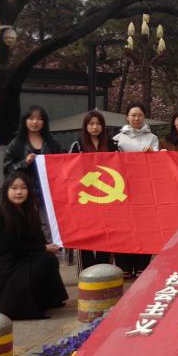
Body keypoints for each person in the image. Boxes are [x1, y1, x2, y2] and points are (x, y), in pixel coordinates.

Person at [0, 171, 68, 320]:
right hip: (5, 267)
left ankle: (48, 300)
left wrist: (48, 246)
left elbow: (38, 239)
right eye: (14, 188)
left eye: (23, 188)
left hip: (25, 258)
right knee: (44, 259)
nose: (19, 192)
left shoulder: (30, 212)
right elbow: (6, 246)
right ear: (6, 190)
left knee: (49, 259)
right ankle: (21, 305)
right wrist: (41, 249)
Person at [111, 101, 158, 275]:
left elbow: (158, 163)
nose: (136, 118)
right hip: (122, 188)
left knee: (145, 225)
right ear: (127, 117)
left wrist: (152, 155)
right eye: (133, 115)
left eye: (139, 115)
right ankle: (123, 265)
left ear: (144, 117)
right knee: (123, 226)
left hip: (145, 188)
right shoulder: (117, 138)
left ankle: (142, 265)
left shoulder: (152, 138)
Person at [68, 111, 112, 269]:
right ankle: (86, 272)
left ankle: (104, 270)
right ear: (85, 126)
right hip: (85, 198)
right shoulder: (77, 145)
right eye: (91, 123)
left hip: (107, 198)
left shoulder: (112, 144)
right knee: (85, 235)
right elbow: (69, 170)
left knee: (106, 234)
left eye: (98, 123)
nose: (95, 127)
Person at [2, 105, 62, 185]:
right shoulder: (15, 144)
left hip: (48, 188)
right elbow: (7, 170)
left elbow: (61, 167)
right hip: (24, 188)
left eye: (39, 119)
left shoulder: (53, 144)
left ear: (44, 122)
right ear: (25, 121)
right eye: (31, 118)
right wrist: (25, 162)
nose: (35, 122)